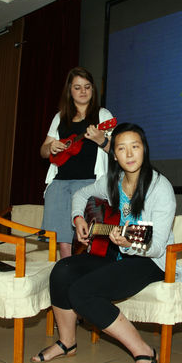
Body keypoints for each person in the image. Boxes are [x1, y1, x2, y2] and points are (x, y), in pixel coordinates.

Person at [31, 123, 182, 363]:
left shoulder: (160, 188)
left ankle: (144, 353)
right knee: (62, 270)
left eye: (135, 147)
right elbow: (81, 194)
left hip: (151, 262)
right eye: (122, 148)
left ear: (144, 150)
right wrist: (78, 218)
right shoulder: (113, 181)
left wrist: (127, 241)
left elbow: (157, 245)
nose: (129, 154)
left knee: (82, 292)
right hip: (118, 255)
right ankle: (67, 342)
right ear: (114, 155)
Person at [40, 67, 113, 258]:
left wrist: (101, 140)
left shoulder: (103, 115)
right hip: (59, 183)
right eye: (77, 87)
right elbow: (43, 151)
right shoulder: (60, 117)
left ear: (93, 89)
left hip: (89, 183)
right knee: (62, 240)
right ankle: (65, 271)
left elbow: (116, 151)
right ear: (69, 90)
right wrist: (51, 147)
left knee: (88, 238)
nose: (83, 91)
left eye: (87, 87)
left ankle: (85, 273)